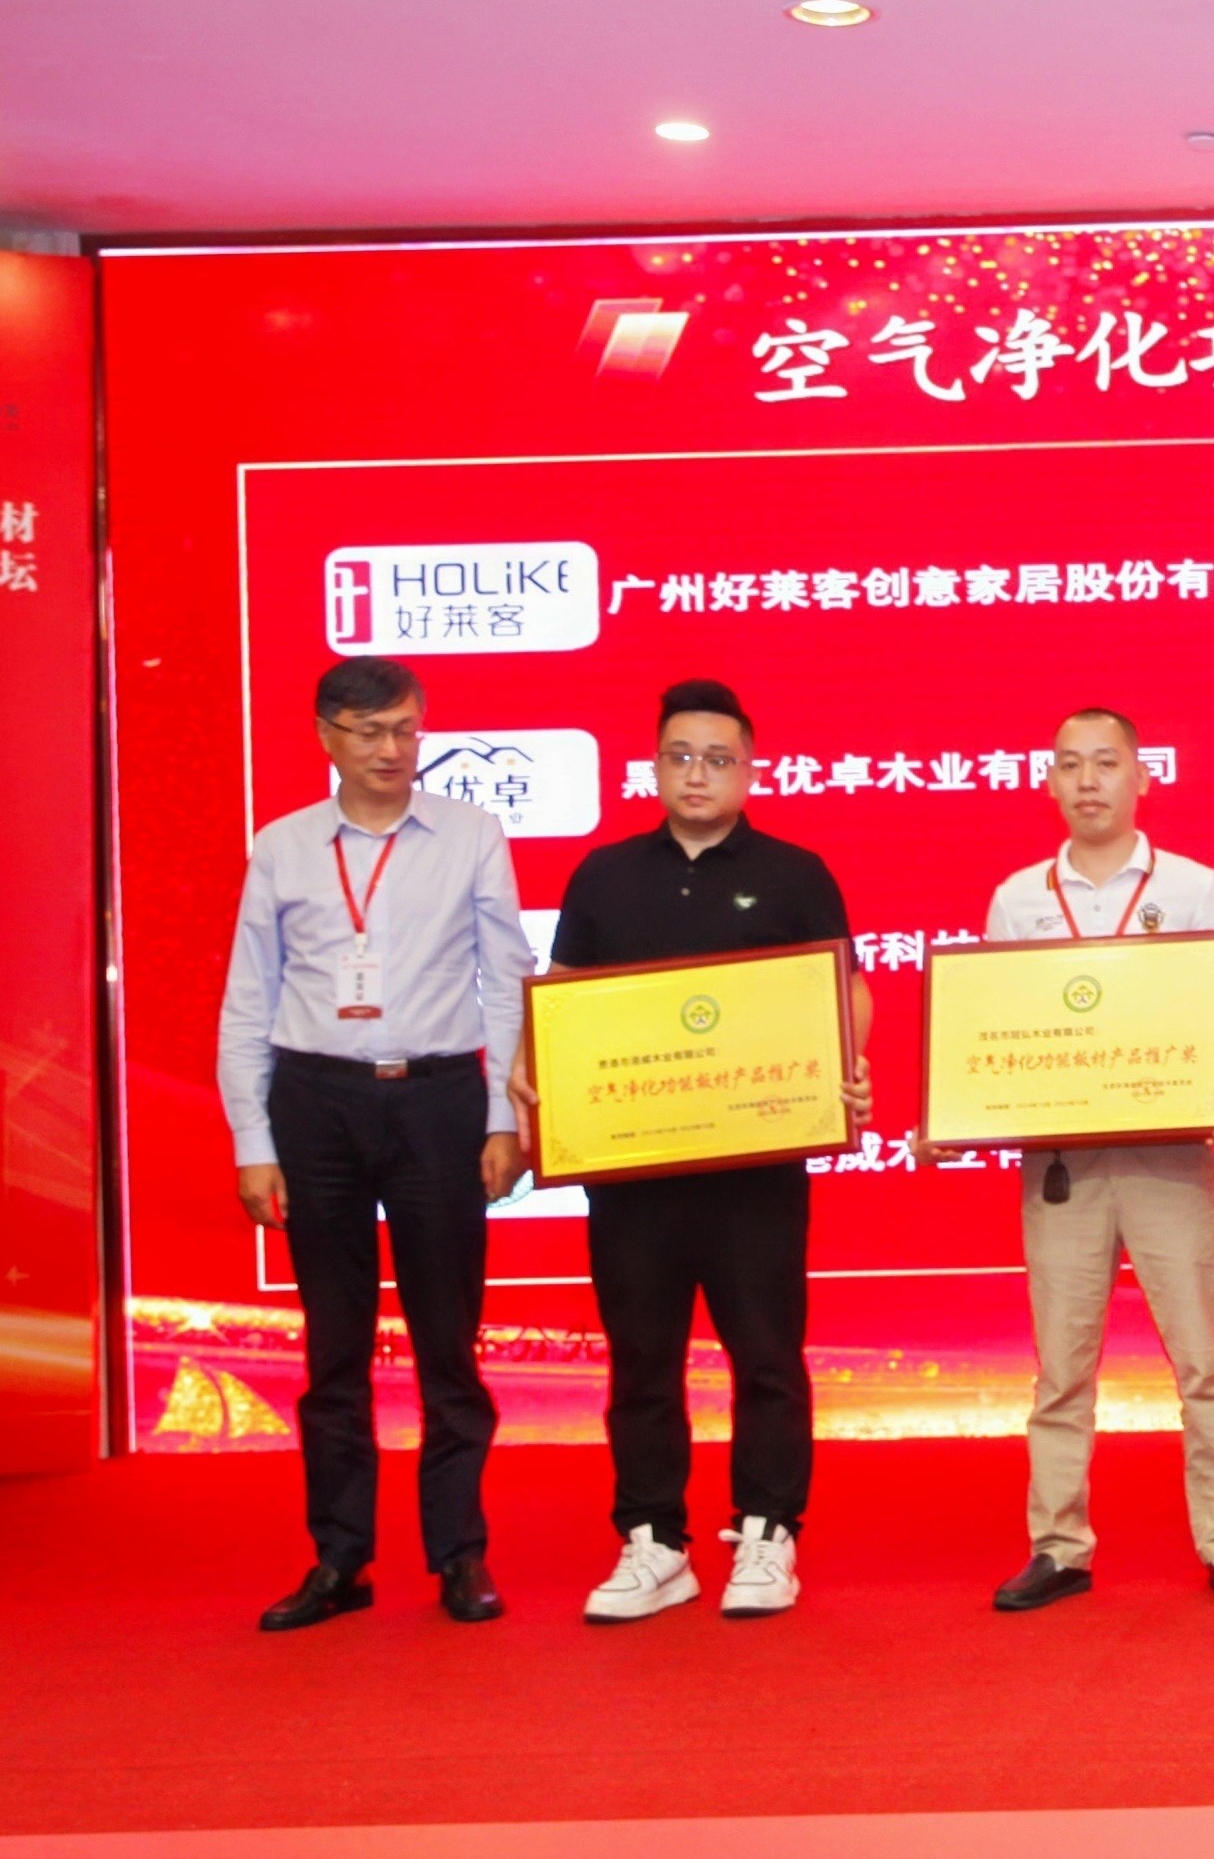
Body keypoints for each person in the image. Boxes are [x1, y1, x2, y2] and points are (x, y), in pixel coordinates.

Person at [524, 679, 870, 1624]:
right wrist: (538, 1081)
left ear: (750, 770)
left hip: (757, 1170)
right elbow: (563, 995)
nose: (697, 773)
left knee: (766, 1354)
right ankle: (653, 1542)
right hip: (635, 1171)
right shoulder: (604, 875)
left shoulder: (795, 873)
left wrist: (843, 1070)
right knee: (642, 1358)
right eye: (680, 755)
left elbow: (846, 991)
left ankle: (768, 1531)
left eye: (718, 758)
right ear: (654, 765)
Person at [218, 654, 530, 1632]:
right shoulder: (282, 846)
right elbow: (248, 997)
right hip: (315, 1102)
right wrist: (252, 1136)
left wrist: (504, 1115)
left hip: (436, 1098)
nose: (391, 749)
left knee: (449, 1340)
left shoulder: (471, 835)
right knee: (335, 1344)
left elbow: (507, 981)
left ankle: (460, 1552)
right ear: (325, 736)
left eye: (405, 729)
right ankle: (340, 1556)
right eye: (368, 732)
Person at [980, 707, 1214, 1613]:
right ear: (1049, 783)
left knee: (1204, 1361)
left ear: (1143, 777)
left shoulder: (1193, 888)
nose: (1087, 781)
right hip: (1063, 1165)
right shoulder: (1017, 899)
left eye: (1105, 763)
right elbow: (993, 1036)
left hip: (1171, 1159)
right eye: (1069, 765)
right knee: (1060, 1370)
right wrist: (962, 1106)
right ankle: (1058, 1546)